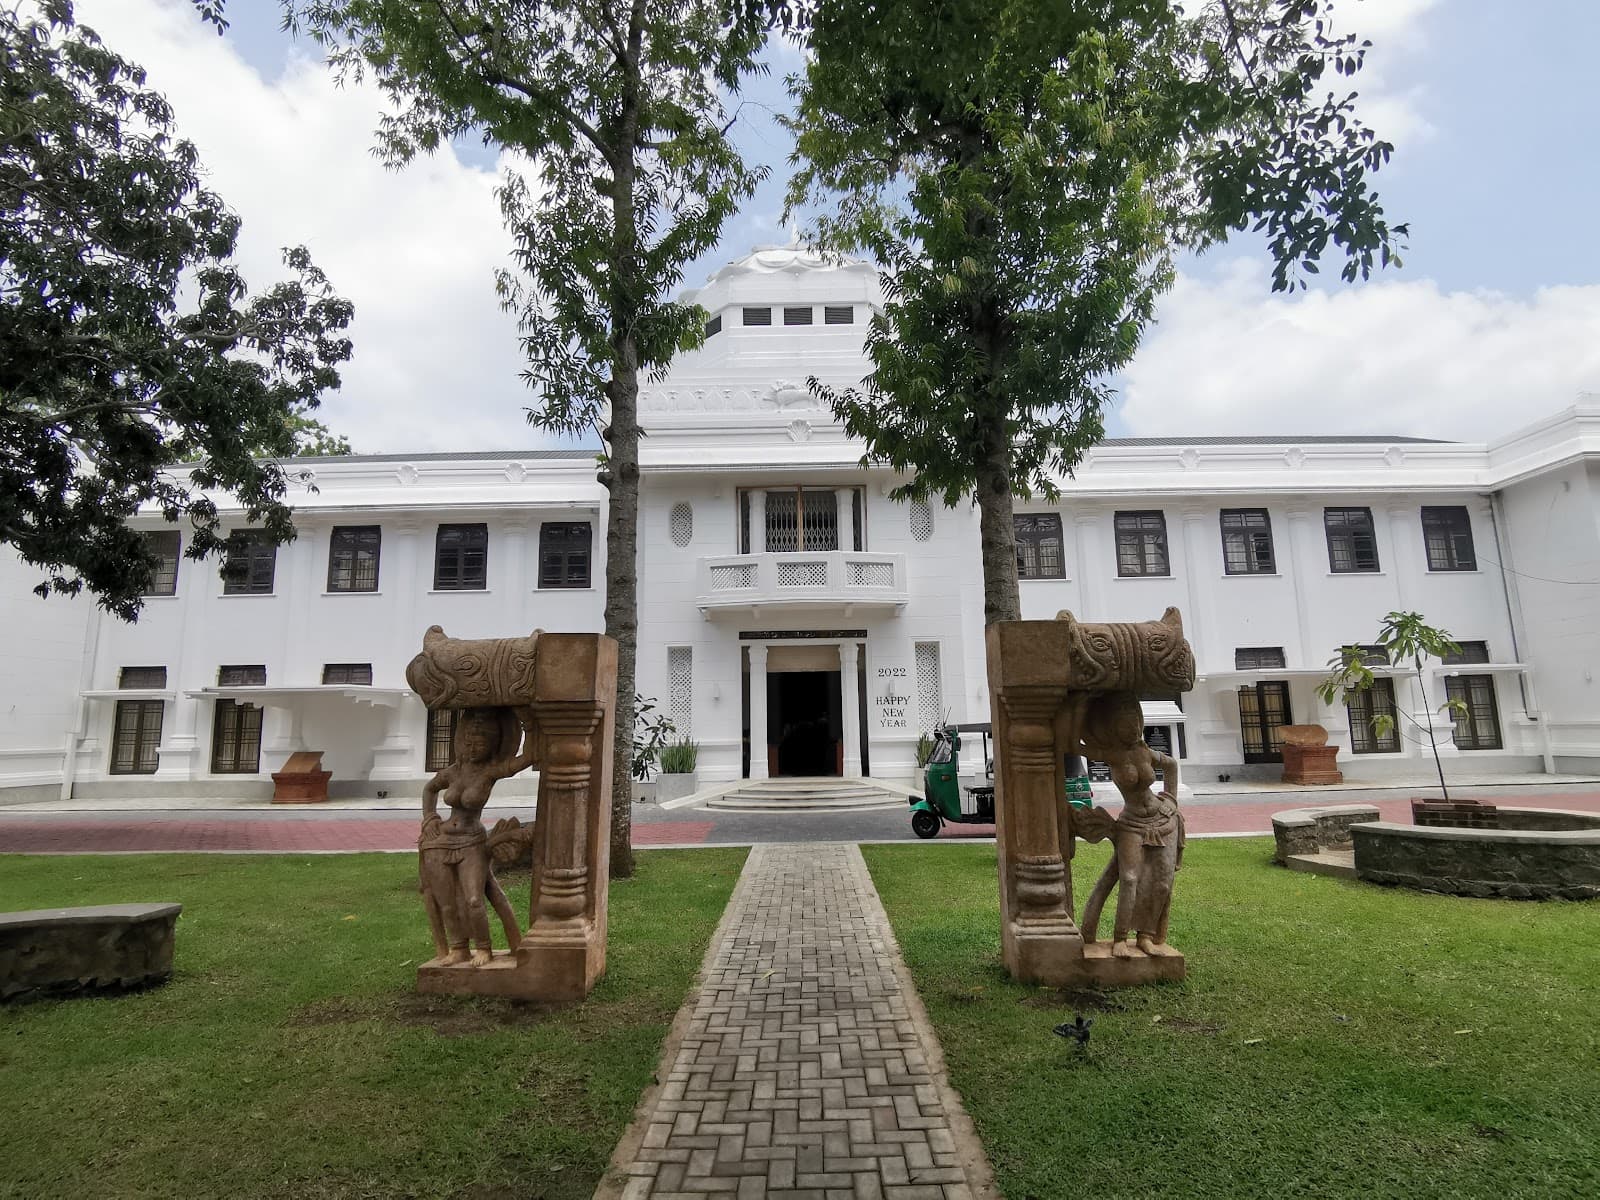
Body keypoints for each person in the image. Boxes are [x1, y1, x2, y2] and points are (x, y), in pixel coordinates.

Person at [419, 706, 537, 966]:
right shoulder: (453, 771)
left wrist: (528, 722)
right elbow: (430, 789)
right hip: (440, 842)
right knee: (447, 903)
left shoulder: (491, 771)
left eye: (481, 742)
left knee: (474, 899)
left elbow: (528, 757)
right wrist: (429, 817)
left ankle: (484, 948)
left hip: (472, 841)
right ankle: (459, 948)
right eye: (469, 741)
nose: (473, 747)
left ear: (493, 744)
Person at [1077, 693, 1185, 958]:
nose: (1133, 729)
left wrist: (1171, 798)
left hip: (1163, 819)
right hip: (1132, 823)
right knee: (1129, 879)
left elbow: (1171, 765)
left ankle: (1146, 936)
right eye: (1126, 725)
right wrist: (1078, 706)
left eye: (1136, 723)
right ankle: (1120, 938)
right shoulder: (1112, 754)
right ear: (1114, 727)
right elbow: (1074, 746)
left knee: (1161, 883)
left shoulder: (1144, 751)